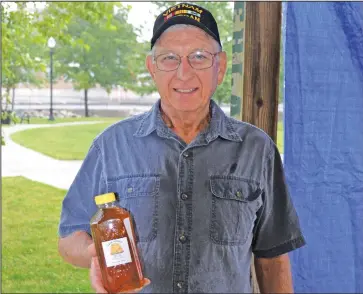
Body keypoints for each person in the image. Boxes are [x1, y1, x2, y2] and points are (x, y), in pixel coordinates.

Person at [58, 3, 306, 293]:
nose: (184, 73)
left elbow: (273, 258)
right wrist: (95, 255)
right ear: (152, 67)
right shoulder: (110, 146)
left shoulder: (257, 149)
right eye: (169, 58)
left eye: (199, 57)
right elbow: (69, 236)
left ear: (221, 66)